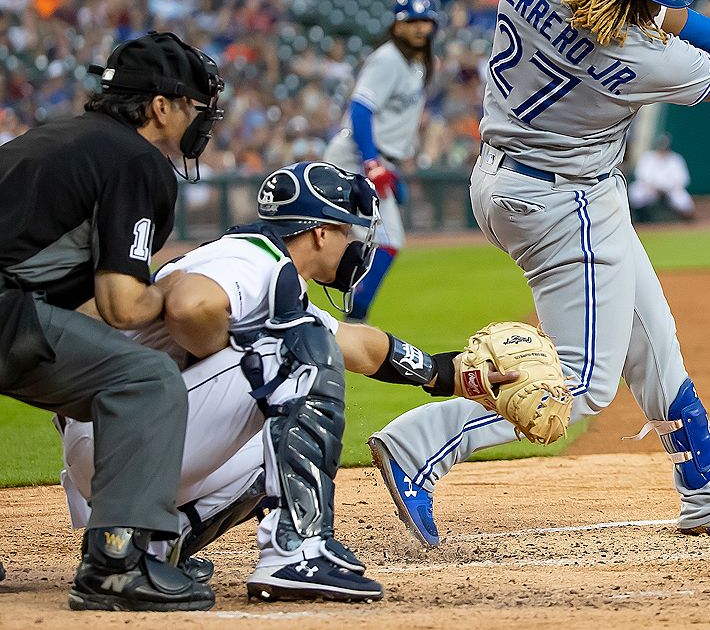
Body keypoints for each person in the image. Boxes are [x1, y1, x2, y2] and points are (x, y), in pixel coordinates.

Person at [367, 0, 710, 547]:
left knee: (651, 336)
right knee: (577, 387)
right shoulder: (640, 58)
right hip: (562, 201)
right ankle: (421, 444)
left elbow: (639, 10)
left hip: (508, 176)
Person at [59, 161, 516, 602]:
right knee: (296, 353)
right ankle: (296, 551)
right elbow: (190, 306)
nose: (355, 246)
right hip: (122, 439)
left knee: (282, 434)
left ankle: (149, 544)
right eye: (347, 232)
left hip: (116, 446)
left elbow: (357, 347)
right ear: (320, 233)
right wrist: (226, 351)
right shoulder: (250, 259)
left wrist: (449, 373)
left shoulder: (261, 265)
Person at [0, 31, 223, 610]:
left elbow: (66, 295)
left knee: (90, 361)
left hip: (11, 304)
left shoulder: (58, 135)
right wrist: (170, 287)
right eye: (194, 106)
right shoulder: (136, 160)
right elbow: (123, 304)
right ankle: (118, 564)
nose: (201, 118)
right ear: (160, 107)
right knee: (143, 379)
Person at [324, 0, 439, 321]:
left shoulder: (415, 64)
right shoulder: (388, 58)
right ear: (397, 25)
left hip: (376, 158)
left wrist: (387, 165)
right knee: (384, 240)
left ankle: (351, 312)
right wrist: (372, 162)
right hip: (355, 156)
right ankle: (355, 315)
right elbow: (361, 109)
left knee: (343, 234)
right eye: (412, 21)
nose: (420, 28)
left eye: (425, 21)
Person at [628, 132, 696, 222]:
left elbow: (683, 180)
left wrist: (667, 189)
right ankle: (638, 218)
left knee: (684, 202)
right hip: (650, 189)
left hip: (671, 190)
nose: (662, 149)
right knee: (635, 193)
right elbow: (641, 176)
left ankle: (683, 223)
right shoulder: (648, 157)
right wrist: (653, 188)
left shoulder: (675, 159)